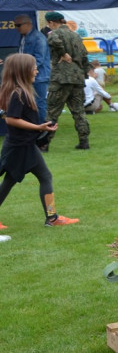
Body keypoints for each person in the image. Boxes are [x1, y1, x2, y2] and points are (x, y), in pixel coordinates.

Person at [0, 53, 78, 229]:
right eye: (33, 67)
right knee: (40, 177)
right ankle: (52, 218)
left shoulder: (21, 90)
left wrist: (41, 127)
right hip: (20, 147)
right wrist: (38, 128)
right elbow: (11, 119)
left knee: (16, 180)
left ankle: (52, 218)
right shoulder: (18, 93)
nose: (36, 70)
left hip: (22, 145)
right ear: (22, 70)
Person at [42, 11, 90, 151]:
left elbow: (53, 40)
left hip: (61, 79)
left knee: (52, 111)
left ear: (51, 23)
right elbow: (85, 57)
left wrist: (63, 53)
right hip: (77, 78)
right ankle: (84, 141)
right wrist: (84, 74)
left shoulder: (54, 33)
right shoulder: (76, 36)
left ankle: (44, 143)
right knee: (79, 111)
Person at [15, 14, 50, 117]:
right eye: (15, 25)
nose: (16, 28)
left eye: (18, 25)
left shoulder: (38, 38)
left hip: (39, 76)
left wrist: (24, 70)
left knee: (39, 103)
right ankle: (33, 128)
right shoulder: (23, 37)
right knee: (28, 103)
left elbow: (39, 59)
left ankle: (42, 129)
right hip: (27, 75)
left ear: (28, 24)